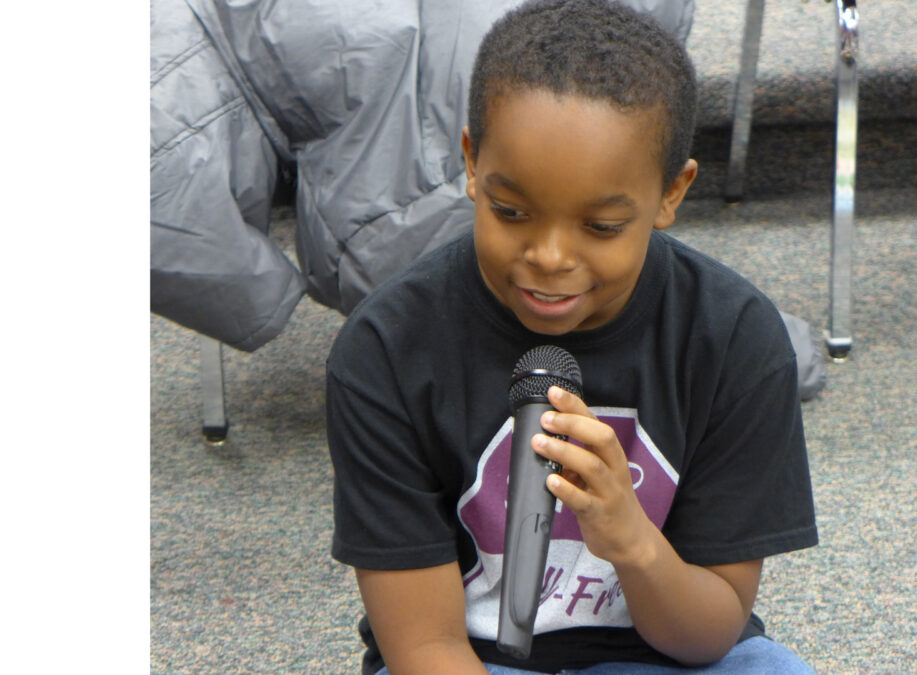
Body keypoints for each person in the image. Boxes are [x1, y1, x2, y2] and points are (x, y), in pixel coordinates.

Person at [325, 1, 819, 673]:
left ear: (672, 193)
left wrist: (632, 540)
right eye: (510, 211)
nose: (550, 257)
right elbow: (424, 647)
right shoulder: (386, 350)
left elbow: (709, 635)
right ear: (470, 162)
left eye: (601, 226)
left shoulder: (734, 339)